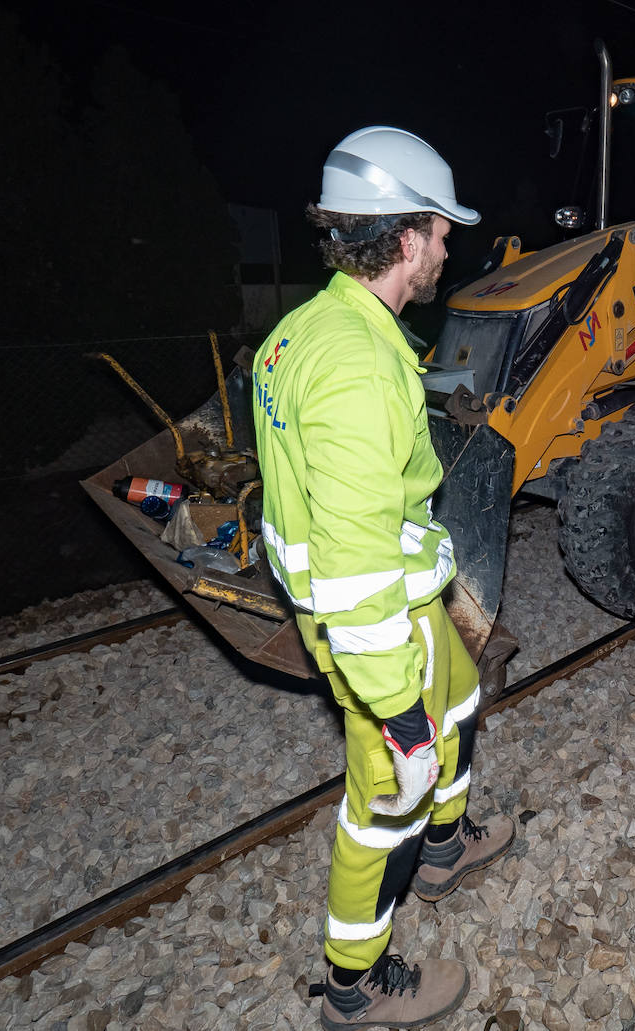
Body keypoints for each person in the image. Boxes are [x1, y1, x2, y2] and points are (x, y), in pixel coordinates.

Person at [251, 125, 515, 1029]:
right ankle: (352, 985)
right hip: (374, 625)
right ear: (405, 238)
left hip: (402, 600)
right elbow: (356, 566)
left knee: (466, 700)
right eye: (442, 232)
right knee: (382, 802)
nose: (450, 247)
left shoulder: (303, 333)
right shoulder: (361, 369)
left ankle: (445, 846)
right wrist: (397, 717)